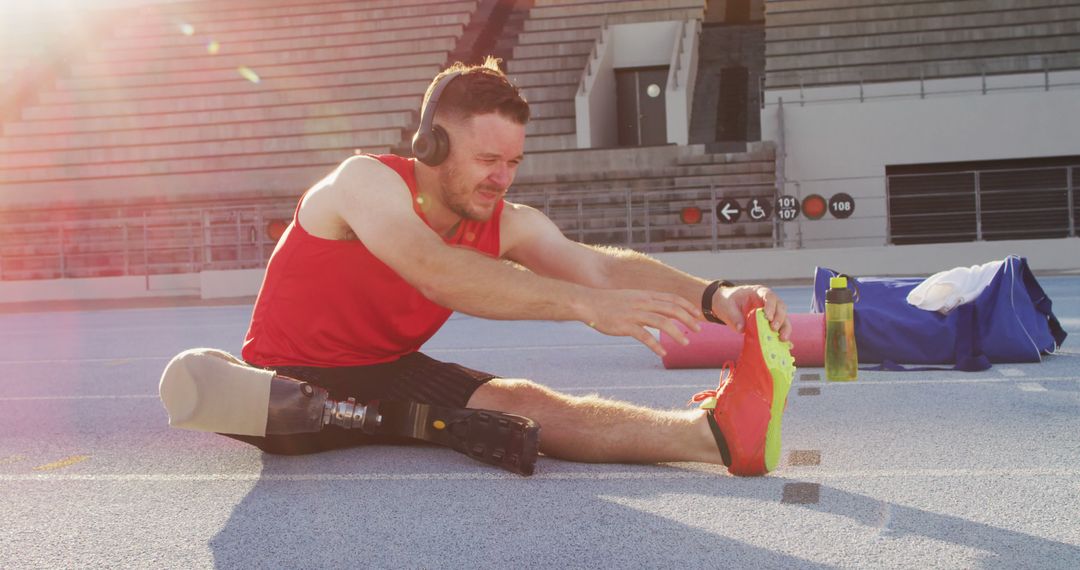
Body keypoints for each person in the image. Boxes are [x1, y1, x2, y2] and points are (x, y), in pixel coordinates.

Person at [236, 57, 794, 476]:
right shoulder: (364, 182)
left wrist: (715, 296)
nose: (501, 178)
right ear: (431, 146)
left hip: (386, 366)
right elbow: (432, 267)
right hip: (286, 377)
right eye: (486, 160)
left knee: (522, 401)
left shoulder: (508, 221)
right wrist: (583, 306)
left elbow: (598, 268)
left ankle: (714, 438)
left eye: (512, 162)